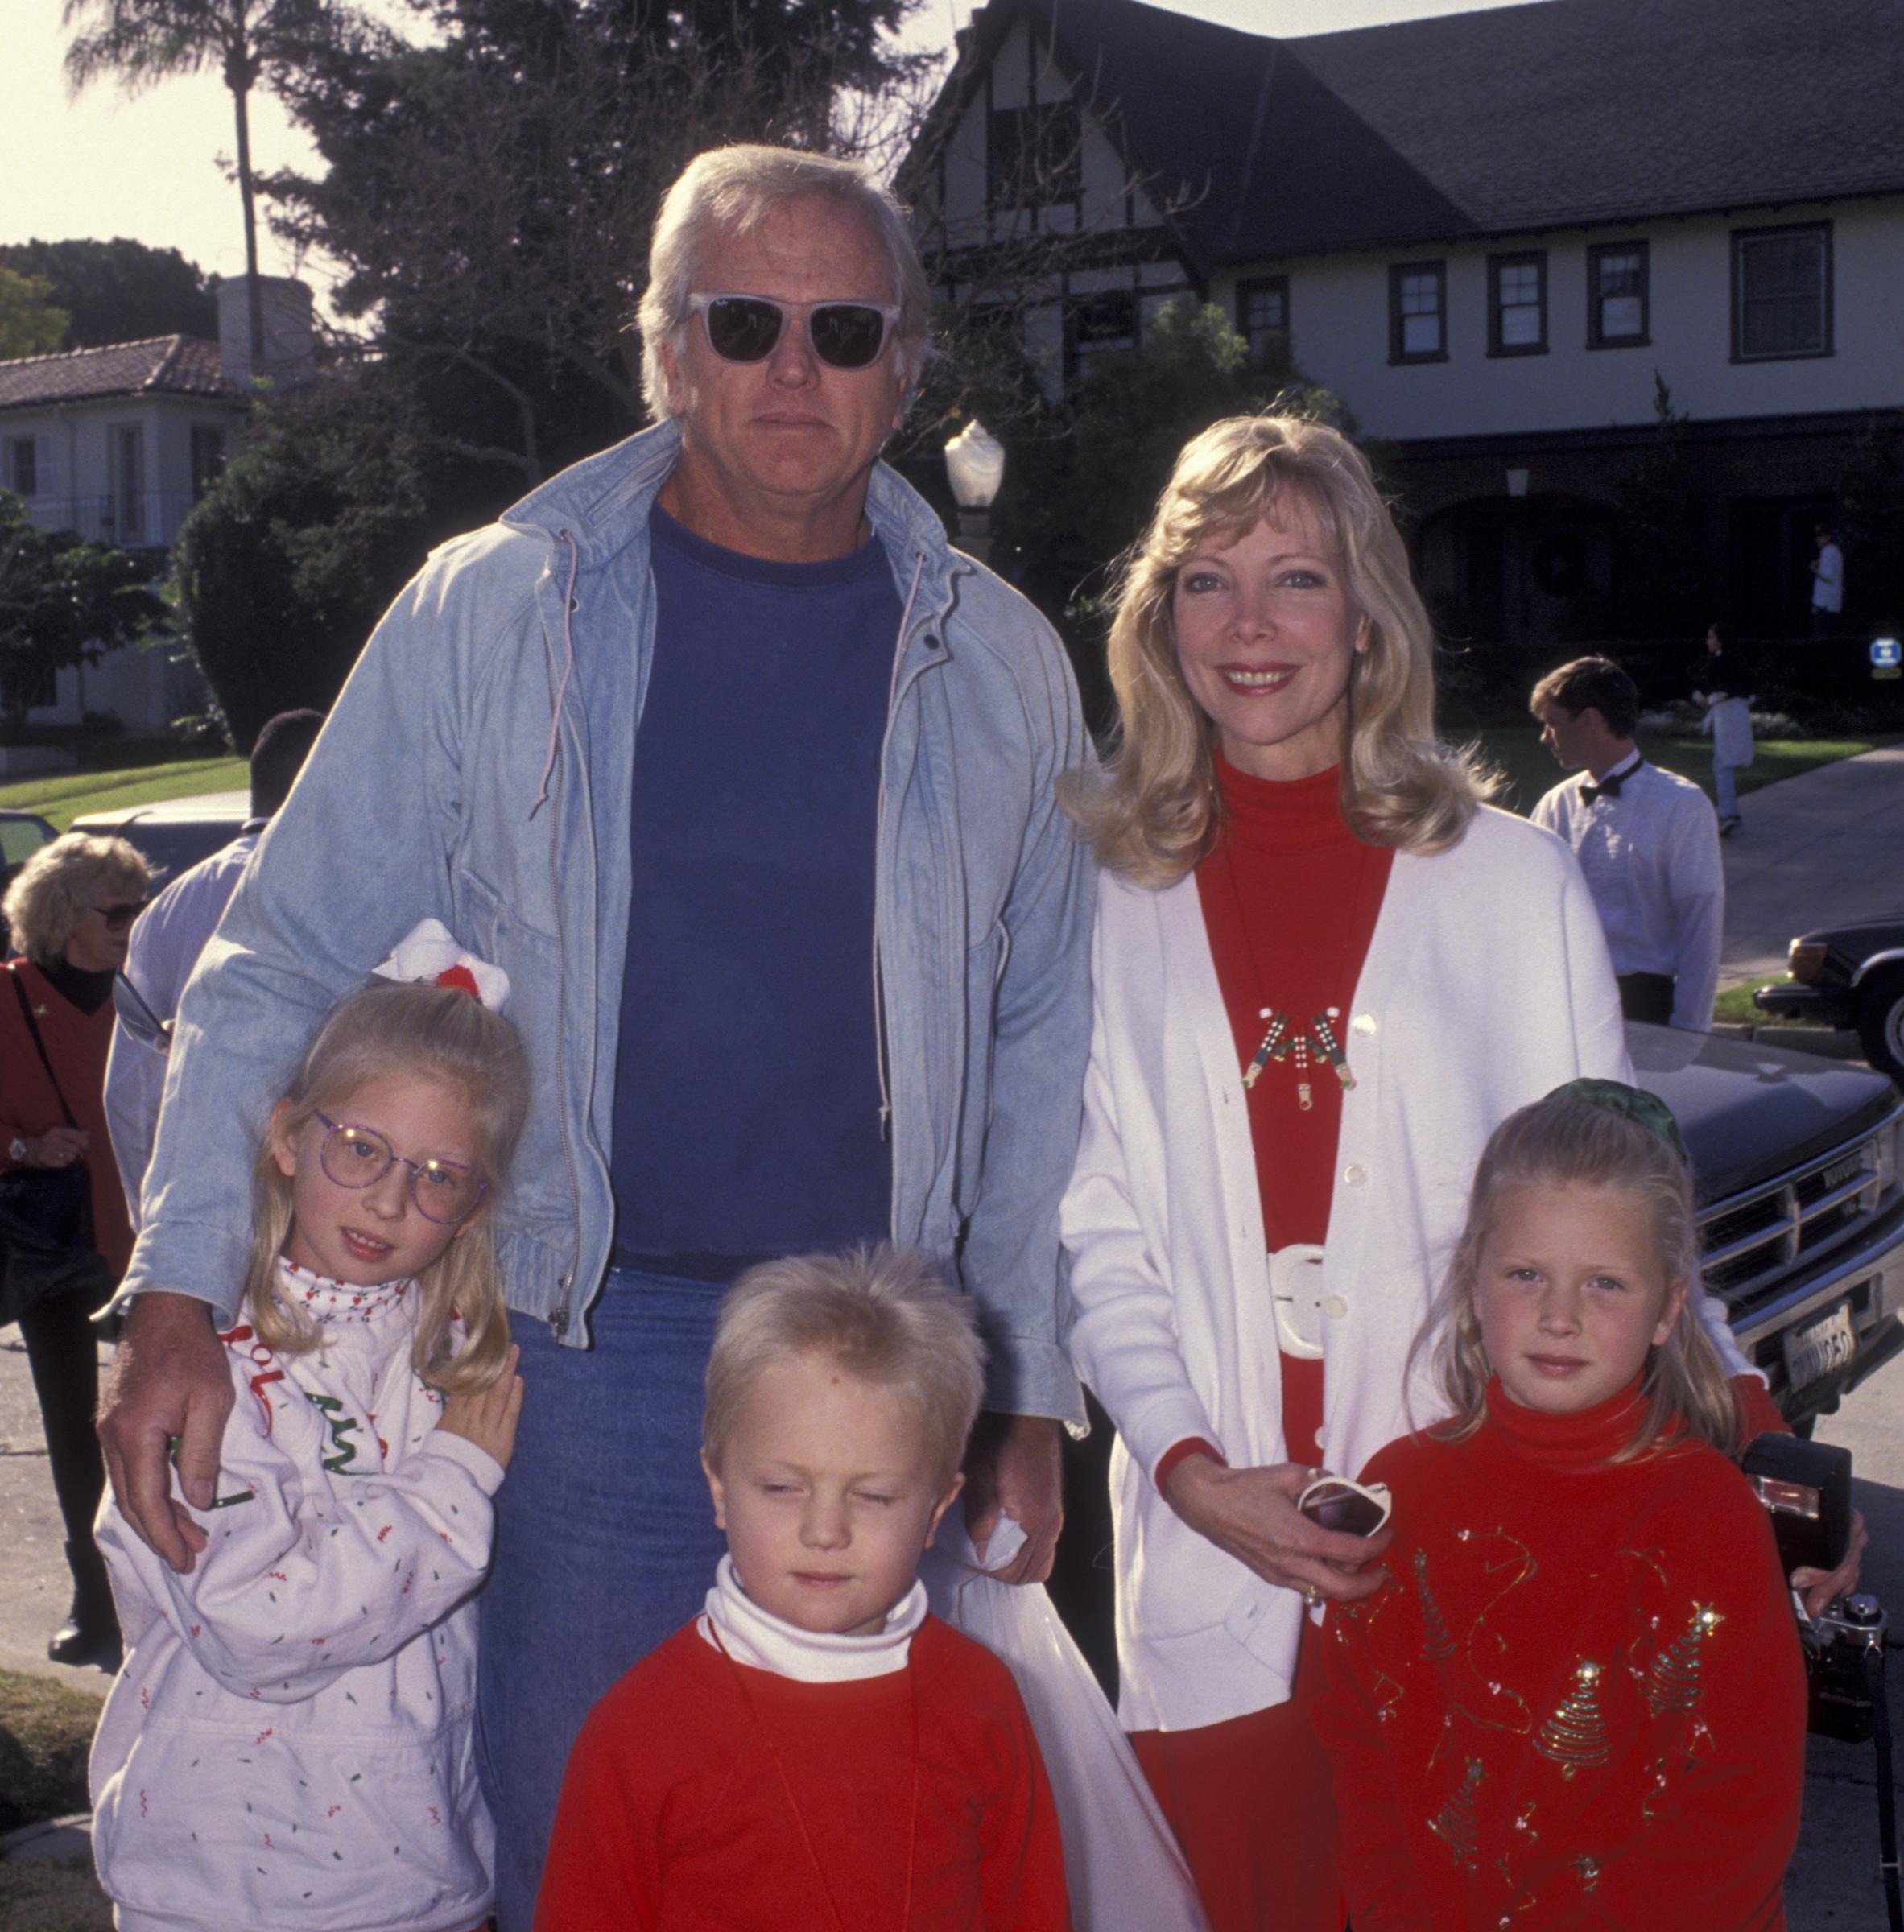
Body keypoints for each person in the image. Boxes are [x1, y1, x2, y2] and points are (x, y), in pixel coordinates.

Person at [96, 142, 1092, 1927]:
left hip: (881, 1346)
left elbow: (1037, 1038)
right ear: (668, 350)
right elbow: (278, 954)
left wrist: (1019, 1390)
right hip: (582, 1338)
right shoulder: (496, 609)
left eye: (845, 327)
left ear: (908, 365)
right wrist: (177, 1294)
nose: (797, 367)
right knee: (577, 1832)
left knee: (862, 1850)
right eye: (746, 320)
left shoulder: (1002, 664)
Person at [1057, 414, 1774, 1932]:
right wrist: (1190, 1474)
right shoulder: (1103, 896)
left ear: (1367, 612)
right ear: (1157, 617)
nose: (1250, 627)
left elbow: (1622, 1198)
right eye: (1207, 581)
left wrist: (1751, 1429)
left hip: (1486, 1570)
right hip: (1214, 1566)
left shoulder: (1511, 883)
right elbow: (1093, 1229)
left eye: (1296, 579)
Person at [90, 947, 530, 1932]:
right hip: (215, 1887)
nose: (388, 1199)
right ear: (287, 1136)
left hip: (420, 1882)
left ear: (473, 1211)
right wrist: (451, 1481)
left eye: (437, 1175)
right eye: (361, 1148)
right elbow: (259, 1627)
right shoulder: (203, 1363)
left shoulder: (460, 1362)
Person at [1312, 1081, 1808, 1929]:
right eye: (1526, 1273)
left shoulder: (1705, 1516)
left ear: (1667, 1310)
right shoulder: (1401, 1492)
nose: (1558, 1316)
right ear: (1474, 1282)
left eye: (1605, 1284)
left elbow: (1738, 1805)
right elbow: (1356, 1745)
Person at [534, 1244, 1071, 1930]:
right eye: (784, 1489)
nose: (825, 1531)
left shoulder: (981, 1699)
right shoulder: (637, 1731)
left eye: (873, 1497)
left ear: (938, 1510)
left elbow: (1032, 1909)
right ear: (719, 1489)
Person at [1, 832, 149, 1665]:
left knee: (157, 1420)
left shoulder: (151, 992)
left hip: (148, 1241)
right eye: (117, 909)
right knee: (71, 1428)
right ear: (63, 918)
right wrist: (24, 1149)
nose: (134, 923)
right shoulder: (8, 999)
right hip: (56, 1246)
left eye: (139, 906)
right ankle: (95, 1603)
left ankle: (166, 1593)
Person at [104, 708, 326, 1221]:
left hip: (201, 1214)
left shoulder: (170, 905)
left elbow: (133, 1090)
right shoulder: (351, 898)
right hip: (323, 1222)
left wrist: (153, 1226)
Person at [1530, 655, 1724, 1031]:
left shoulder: (1682, 805)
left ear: (1590, 720)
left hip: (1647, 1010)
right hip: (1567, 1008)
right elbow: (1534, 916)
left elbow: (1701, 927)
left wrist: (1689, 1029)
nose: (1544, 737)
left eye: (1552, 724)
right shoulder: (1555, 806)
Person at [1694, 621, 1755, 836]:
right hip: (1735, 714)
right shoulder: (1738, 661)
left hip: (1727, 717)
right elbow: (1748, 692)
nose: (1708, 642)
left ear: (1719, 640)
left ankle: (1728, 812)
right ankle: (1729, 810)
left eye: (1711, 637)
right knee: (1722, 763)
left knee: (1722, 764)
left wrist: (1702, 699)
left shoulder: (1720, 663)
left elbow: (1717, 695)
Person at [1811, 522, 1844, 636]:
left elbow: (1828, 577)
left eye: (1821, 536)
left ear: (1828, 537)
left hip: (1826, 608)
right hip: (1829, 607)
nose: (1818, 539)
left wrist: (1814, 570)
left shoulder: (1829, 551)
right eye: (1818, 536)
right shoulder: (1832, 552)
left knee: (1822, 641)